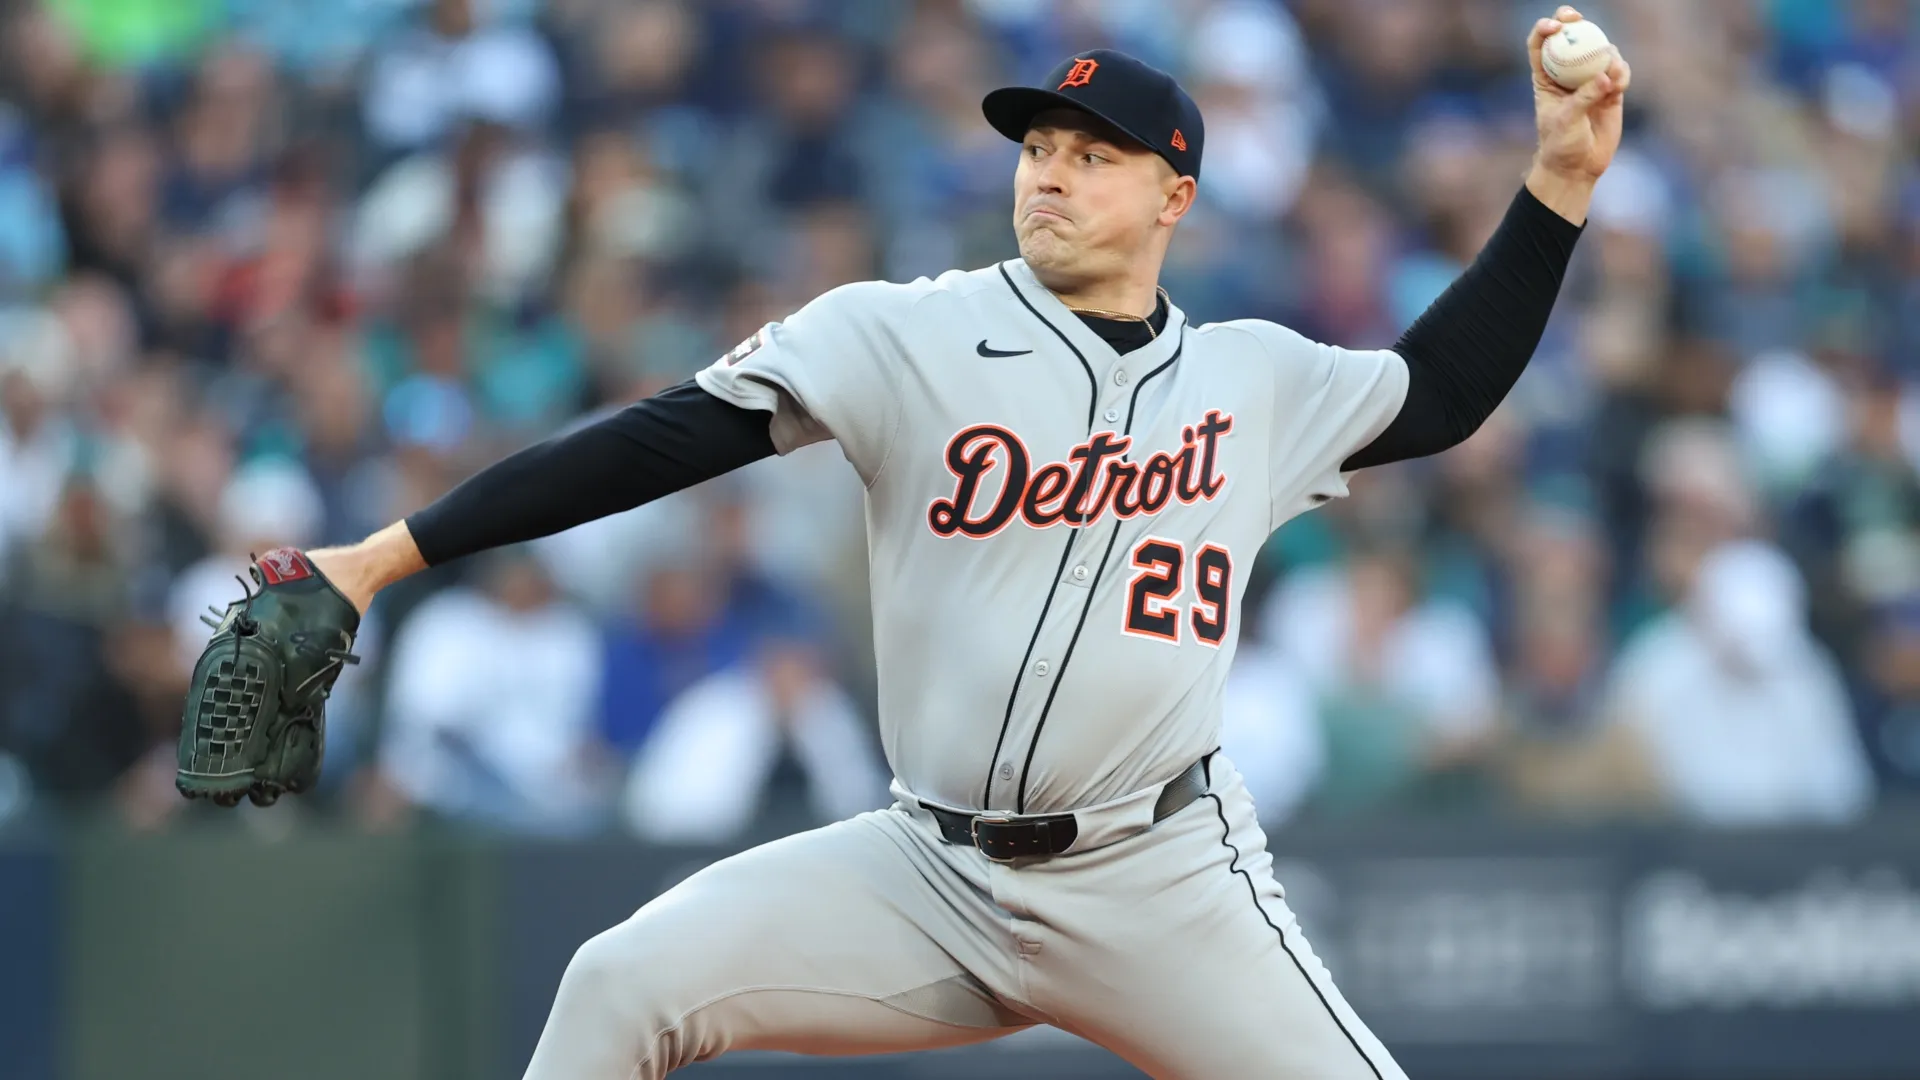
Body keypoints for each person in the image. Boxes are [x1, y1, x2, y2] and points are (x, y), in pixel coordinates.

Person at [194, 10, 1629, 1078]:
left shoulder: (1255, 379)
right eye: (1039, 149)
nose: (1050, 176)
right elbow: (654, 442)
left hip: (1160, 876)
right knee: (617, 984)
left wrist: (1559, 183)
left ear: (1174, 197)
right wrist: (377, 559)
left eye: (1094, 156)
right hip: (926, 869)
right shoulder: (904, 333)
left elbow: (1438, 393)